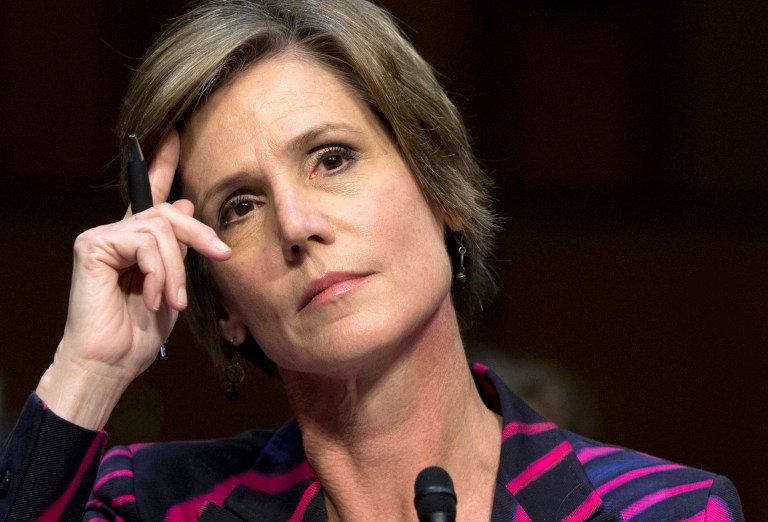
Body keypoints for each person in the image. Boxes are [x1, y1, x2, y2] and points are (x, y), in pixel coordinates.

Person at [0, 0, 744, 520]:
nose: (296, 224)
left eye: (331, 158)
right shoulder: (152, 505)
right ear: (222, 306)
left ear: (442, 191)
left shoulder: (664, 510)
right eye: (241, 205)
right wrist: (89, 369)